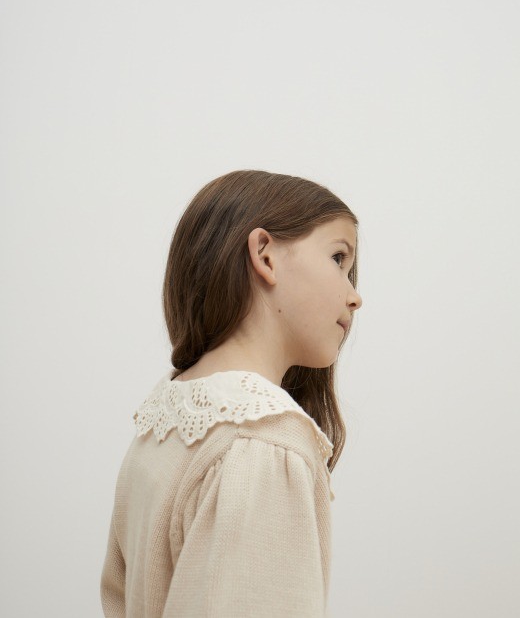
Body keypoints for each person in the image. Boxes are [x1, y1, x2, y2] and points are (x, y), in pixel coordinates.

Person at [100, 169, 363, 617]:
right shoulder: (263, 444)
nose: (355, 297)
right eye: (338, 258)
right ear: (265, 255)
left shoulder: (166, 423)